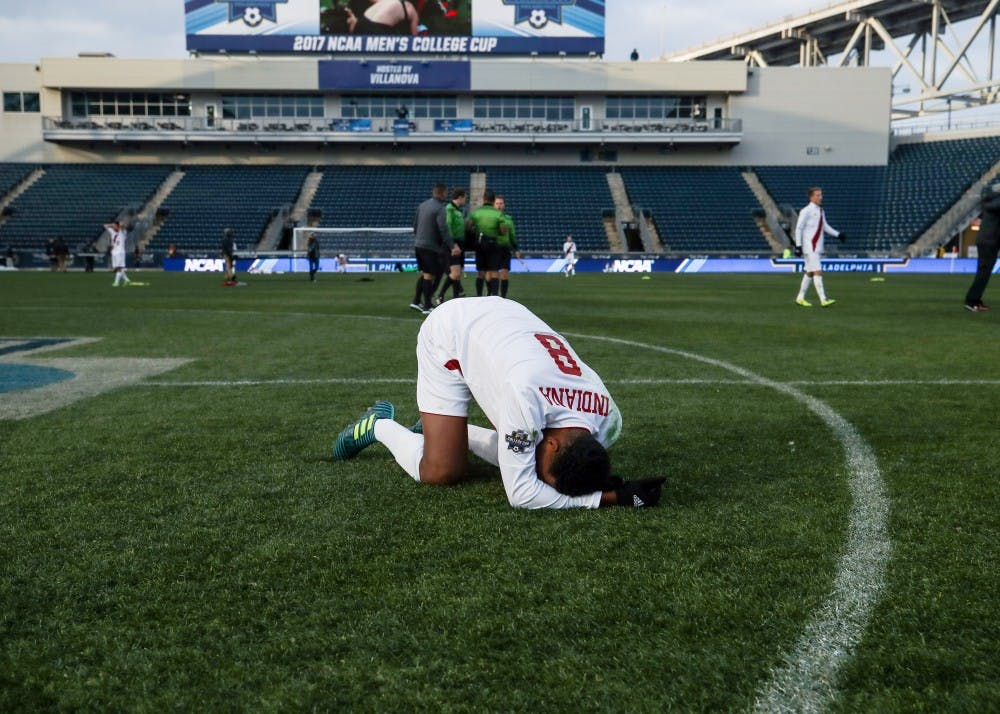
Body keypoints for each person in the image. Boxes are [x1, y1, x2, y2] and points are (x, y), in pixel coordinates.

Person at [331, 297, 665, 509]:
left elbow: (534, 466)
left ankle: (438, 433)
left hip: (508, 317)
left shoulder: (608, 421)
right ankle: (379, 424)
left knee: (518, 453)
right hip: (450, 331)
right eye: (546, 473)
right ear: (550, 443)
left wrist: (592, 483)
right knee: (441, 471)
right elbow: (521, 494)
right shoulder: (526, 397)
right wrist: (612, 498)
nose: (544, 481)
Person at [410, 183, 458, 314]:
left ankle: (416, 301)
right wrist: (452, 245)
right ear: (442, 193)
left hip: (418, 244)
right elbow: (443, 229)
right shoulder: (440, 209)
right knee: (429, 275)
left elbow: (415, 225)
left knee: (426, 273)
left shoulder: (422, 205)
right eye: (445, 193)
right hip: (430, 246)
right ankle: (427, 305)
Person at [794, 187, 845, 307]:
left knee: (810, 272)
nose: (820, 197)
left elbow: (825, 226)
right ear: (811, 197)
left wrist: (838, 234)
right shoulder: (806, 211)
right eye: (817, 195)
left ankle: (800, 298)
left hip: (817, 246)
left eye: (821, 195)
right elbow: (799, 228)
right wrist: (798, 246)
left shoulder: (821, 211)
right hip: (810, 246)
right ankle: (823, 299)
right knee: (818, 271)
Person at [964, 181, 1000, 312]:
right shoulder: (995, 203)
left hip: (989, 240)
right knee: (984, 272)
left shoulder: (990, 203)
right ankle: (971, 301)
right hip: (989, 241)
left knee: (984, 271)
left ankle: (975, 300)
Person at [468, 188, 506, 296]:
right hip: (493, 244)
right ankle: (494, 296)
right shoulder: (498, 214)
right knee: (494, 271)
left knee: (481, 272)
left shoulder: (476, 212)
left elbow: (468, 226)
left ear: (483, 199)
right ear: (493, 200)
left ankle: (479, 296)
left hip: (480, 244)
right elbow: (503, 230)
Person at [434, 187, 468, 304]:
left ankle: (456, 299)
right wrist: (452, 245)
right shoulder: (449, 209)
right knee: (455, 273)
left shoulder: (457, 210)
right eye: (465, 198)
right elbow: (447, 227)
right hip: (453, 244)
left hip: (459, 244)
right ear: (460, 197)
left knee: (457, 274)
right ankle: (440, 296)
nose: (465, 200)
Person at [494, 195, 521, 298]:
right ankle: (493, 295)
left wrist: (516, 249)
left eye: (501, 203)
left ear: (504, 205)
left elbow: (512, 235)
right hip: (493, 249)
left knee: (504, 273)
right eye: (497, 203)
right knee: (494, 273)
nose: (499, 206)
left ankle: (503, 297)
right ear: (493, 205)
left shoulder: (508, 219)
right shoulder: (490, 218)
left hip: (505, 249)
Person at [346, 0, 421, 35]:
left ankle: (354, 21)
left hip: (361, 22)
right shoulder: (411, 10)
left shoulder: (386, 1)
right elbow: (414, 41)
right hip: (376, 28)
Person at [105, 220, 131, 287]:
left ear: (117, 226)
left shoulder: (122, 232)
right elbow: (105, 225)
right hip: (114, 252)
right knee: (118, 268)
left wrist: (119, 225)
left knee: (118, 268)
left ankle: (116, 282)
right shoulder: (112, 232)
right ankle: (127, 280)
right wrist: (112, 224)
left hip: (120, 252)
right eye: (113, 226)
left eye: (114, 226)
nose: (113, 227)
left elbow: (123, 225)